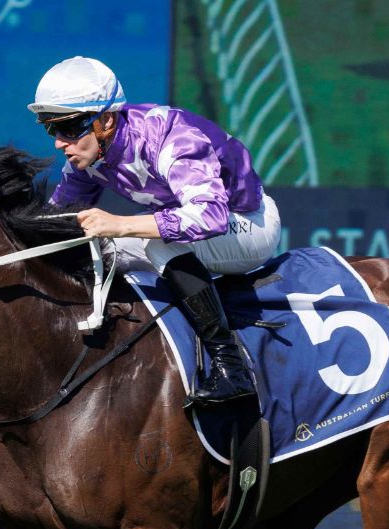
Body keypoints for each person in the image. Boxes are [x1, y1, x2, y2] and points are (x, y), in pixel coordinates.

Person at [28, 56, 281, 408]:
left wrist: (122, 224)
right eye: (52, 129)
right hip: (199, 225)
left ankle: (231, 367)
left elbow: (211, 217)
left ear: (105, 120)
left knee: (156, 245)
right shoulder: (88, 157)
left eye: (69, 128)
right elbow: (54, 224)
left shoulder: (168, 137)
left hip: (247, 223)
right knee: (94, 250)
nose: (59, 142)